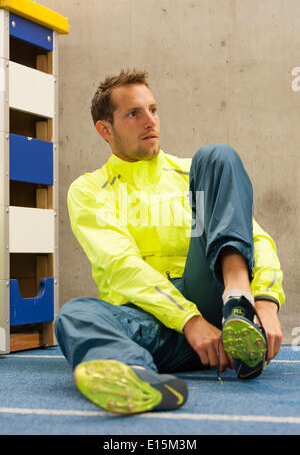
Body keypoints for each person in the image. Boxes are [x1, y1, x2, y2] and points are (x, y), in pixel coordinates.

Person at [55, 69, 285, 415]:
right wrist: (188, 320)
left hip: (213, 304)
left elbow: (255, 237)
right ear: (105, 129)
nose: (150, 121)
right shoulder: (90, 190)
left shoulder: (193, 175)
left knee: (217, 155)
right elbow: (121, 267)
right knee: (75, 314)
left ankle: (239, 302)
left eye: (153, 109)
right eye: (134, 113)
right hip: (153, 325)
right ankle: (135, 375)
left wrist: (266, 298)